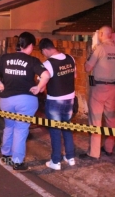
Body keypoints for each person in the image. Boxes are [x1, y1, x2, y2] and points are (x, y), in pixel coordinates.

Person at [0, 32, 50, 171]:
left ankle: (6, 154)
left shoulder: (5, 58)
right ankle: (17, 162)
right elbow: (46, 75)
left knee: (9, 126)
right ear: (31, 45)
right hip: (26, 100)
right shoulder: (33, 61)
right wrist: (38, 88)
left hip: (6, 99)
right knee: (21, 129)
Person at [79, 25, 115, 159]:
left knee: (96, 120)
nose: (98, 36)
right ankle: (109, 148)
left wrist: (90, 57)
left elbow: (88, 68)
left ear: (103, 34)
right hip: (112, 88)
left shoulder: (100, 49)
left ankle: (94, 153)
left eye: (99, 34)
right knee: (110, 118)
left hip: (99, 88)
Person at [39, 38, 76, 170]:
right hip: (70, 99)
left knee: (55, 131)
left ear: (44, 50)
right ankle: (70, 157)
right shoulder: (70, 58)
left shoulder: (48, 64)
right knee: (67, 127)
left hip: (55, 100)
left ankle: (55, 161)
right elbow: (74, 76)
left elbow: (42, 86)